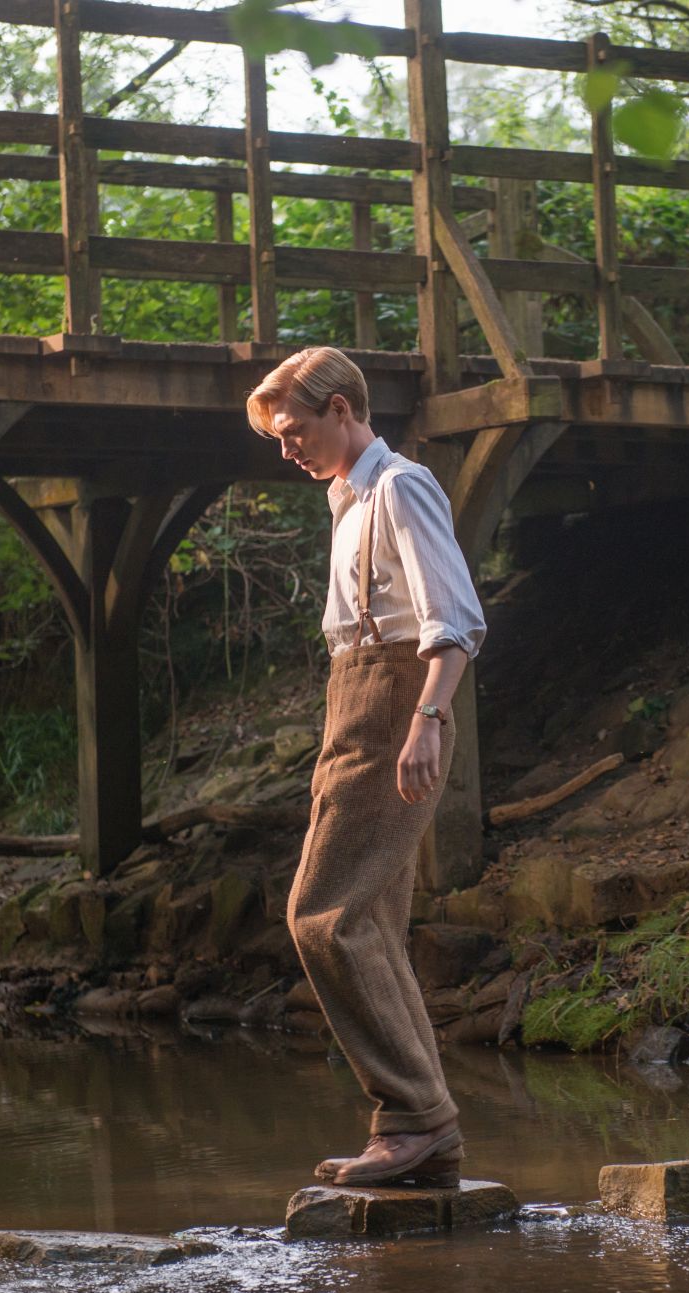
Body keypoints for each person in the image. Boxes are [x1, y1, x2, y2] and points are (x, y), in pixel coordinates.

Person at [245, 348, 486, 1188]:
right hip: (355, 702)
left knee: (323, 913)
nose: (288, 450)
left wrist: (428, 715)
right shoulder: (348, 503)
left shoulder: (399, 486)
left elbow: (454, 619)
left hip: (395, 705)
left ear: (343, 408)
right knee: (368, 921)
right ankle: (425, 1127)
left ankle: (414, 1117)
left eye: (295, 431)